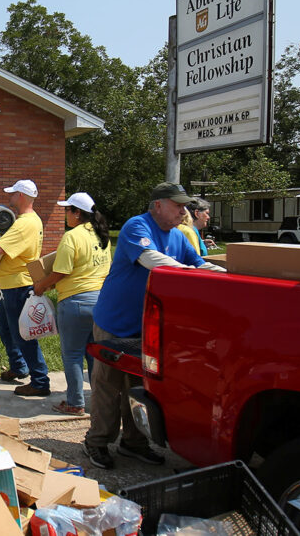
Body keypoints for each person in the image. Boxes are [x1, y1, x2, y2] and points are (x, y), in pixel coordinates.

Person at [84, 182, 226, 469]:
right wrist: (189, 272)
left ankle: (133, 443)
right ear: (158, 205)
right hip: (114, 322)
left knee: (140, 388)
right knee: (108, 387)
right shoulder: (137, 226)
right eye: (178, 205)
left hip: (145, 327)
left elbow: (199, 265)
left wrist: (235, 275)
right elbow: (152, 261)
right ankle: (96, 442)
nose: (184, 211)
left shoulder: (176, 236)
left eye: (186, 206)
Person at [32, 192, 110, 416]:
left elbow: (60, 271)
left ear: (77, 213)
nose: (65, 214)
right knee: (94, 352)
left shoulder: (72, 236)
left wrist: (41, 286)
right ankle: (99, 400)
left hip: (75, 302)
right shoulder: (102, 234)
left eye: (67, 210)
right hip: (99, 301)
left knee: (73, 354)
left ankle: (75, 403)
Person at [0, 179, 48, 397]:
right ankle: (19, 366)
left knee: (23, 334)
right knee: (4, 326)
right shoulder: (28, 220)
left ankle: (40, 381)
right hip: (10, 286)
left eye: (13, 194)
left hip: (18, 286)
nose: (10, 197)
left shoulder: (25, 224)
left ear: (21, 196)